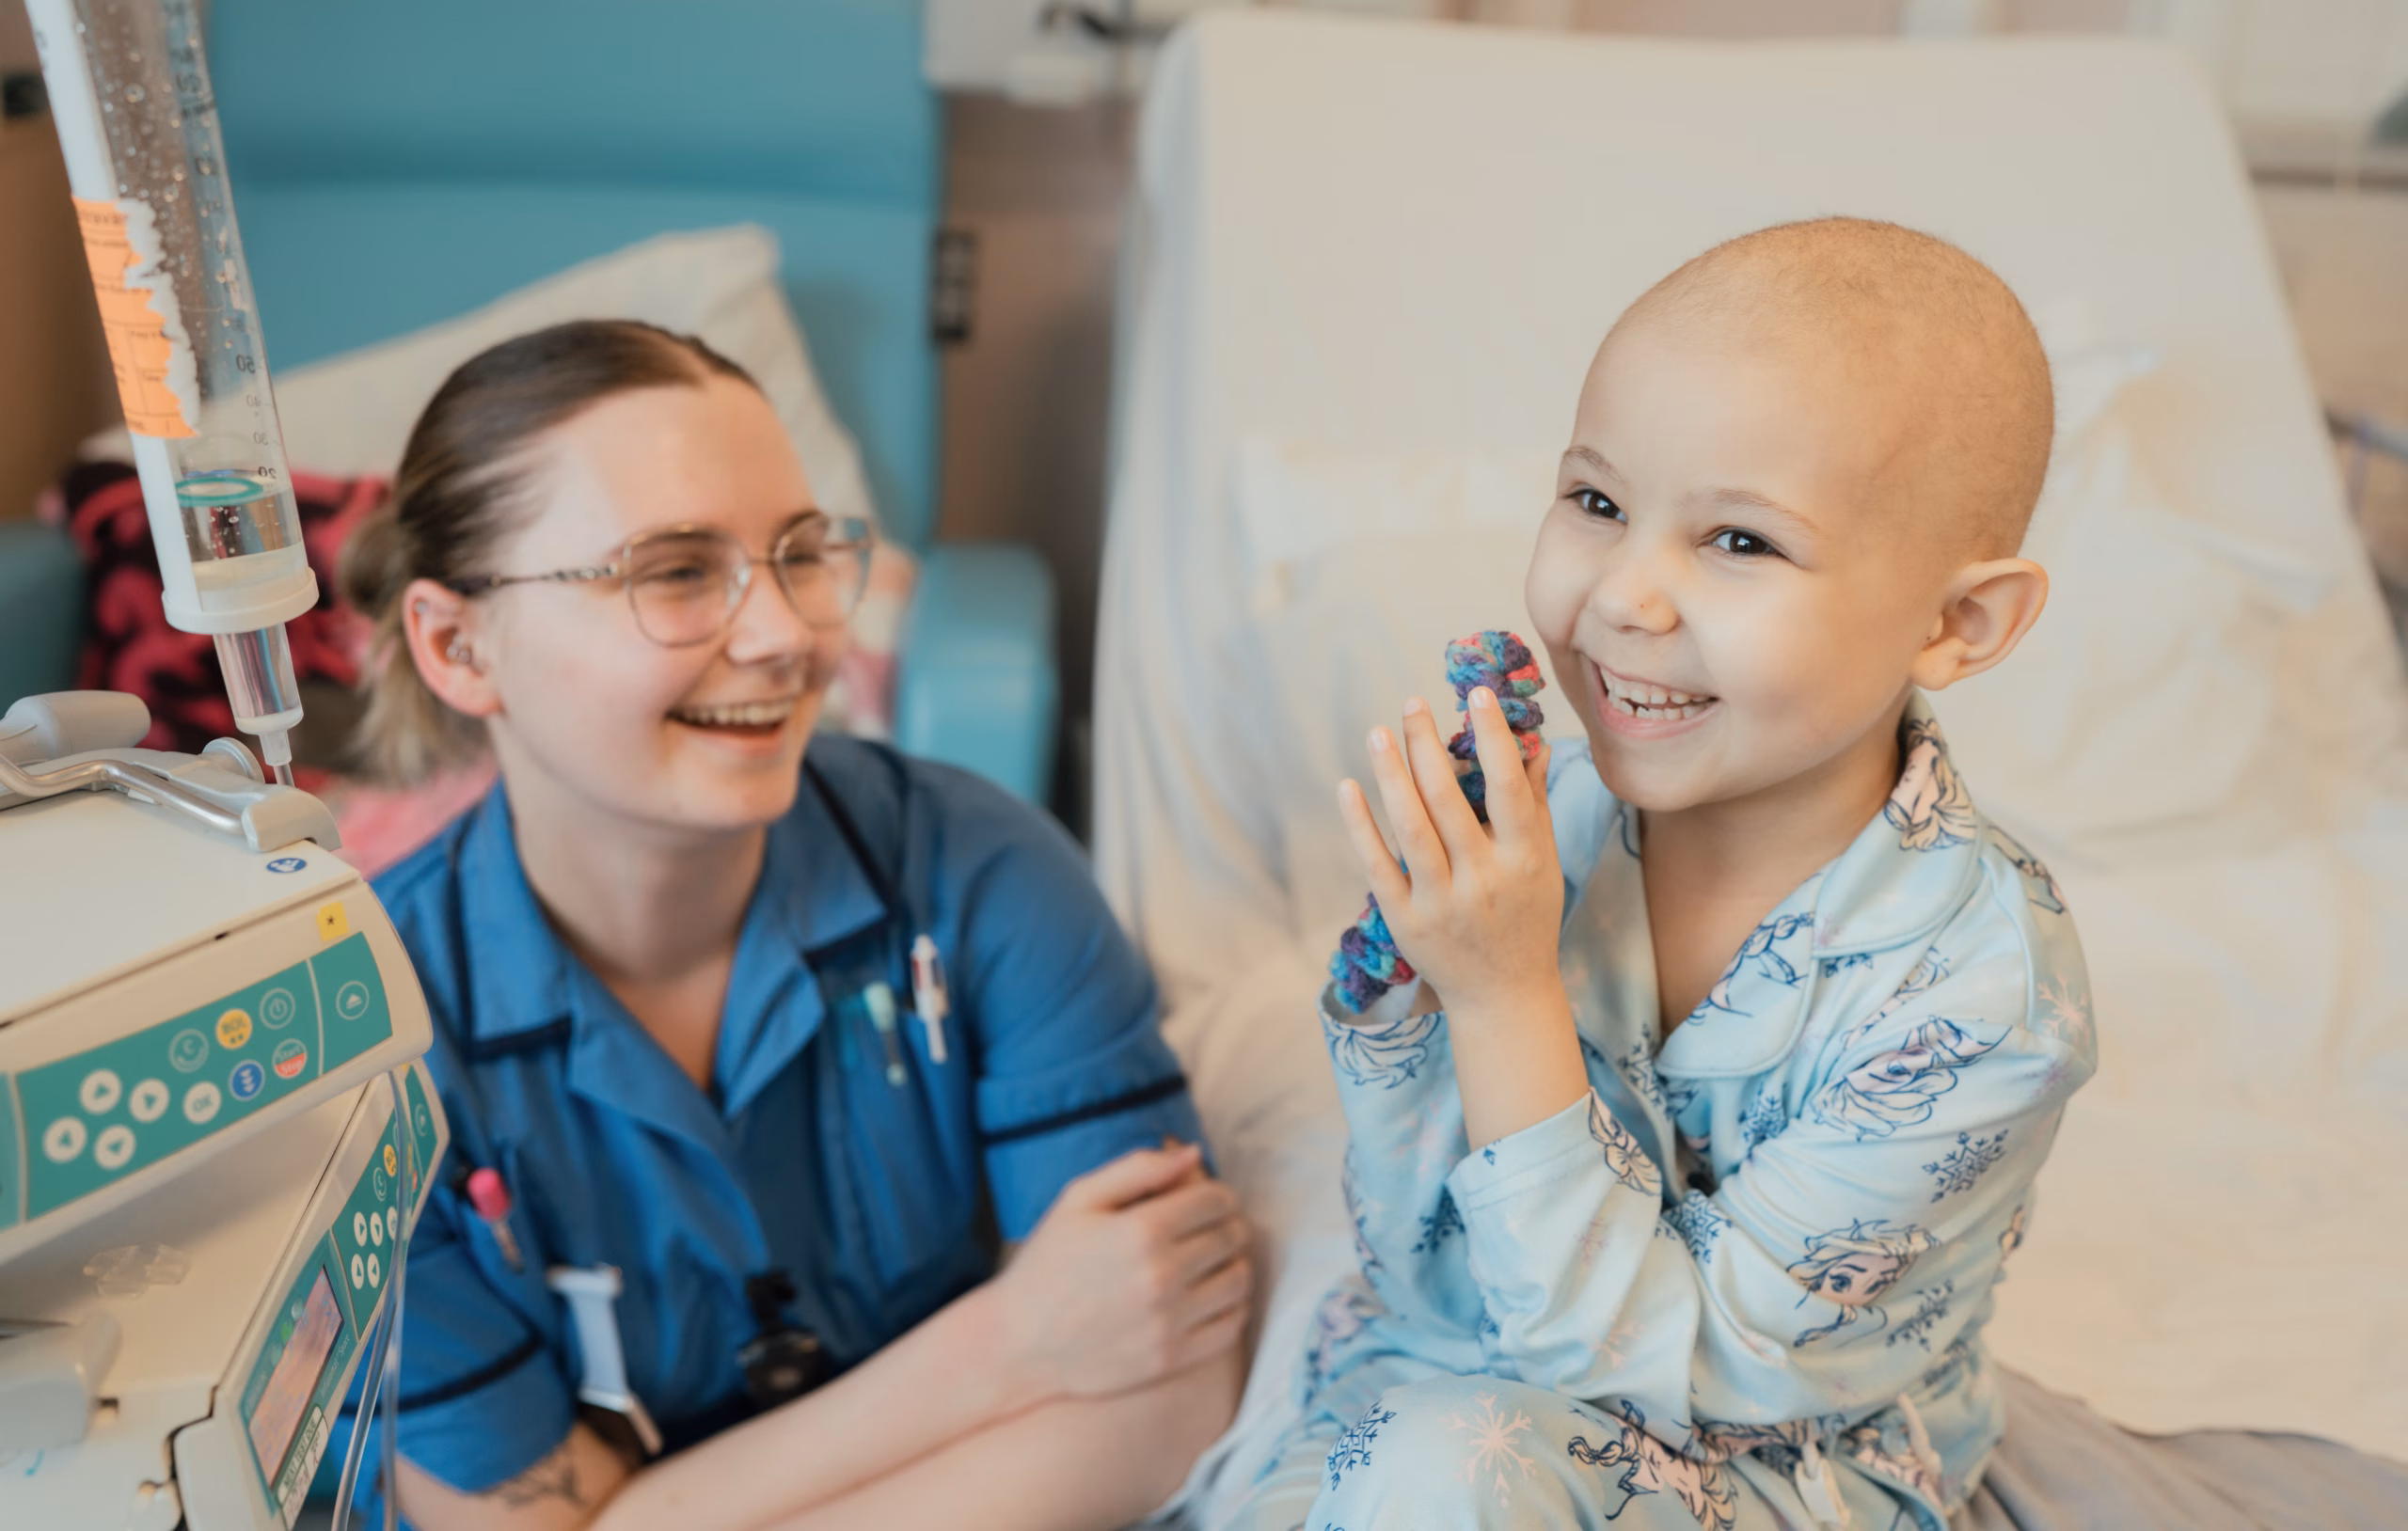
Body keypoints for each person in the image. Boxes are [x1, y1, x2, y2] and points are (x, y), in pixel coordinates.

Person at [1242, 218, 2090, 1529]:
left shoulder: (1981, 1000)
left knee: (1434, 1479)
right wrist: (1416, 974)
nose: (1625, 595)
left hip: (1767, 1457)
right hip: (1450, 1374)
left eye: (1740, 542)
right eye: (1597, 503)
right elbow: (1422, 1259)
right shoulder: (1554, 823)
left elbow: (1669, 1376)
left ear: (1953, 622)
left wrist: (1502, 994)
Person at [338, 320, 1250, 1531]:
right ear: (460, 647)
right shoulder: (365, 1053)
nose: (786, 638)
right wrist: (1012, 1345)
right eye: (672, 570)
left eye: (801, 554)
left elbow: (1165, 1398)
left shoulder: (981, 876)